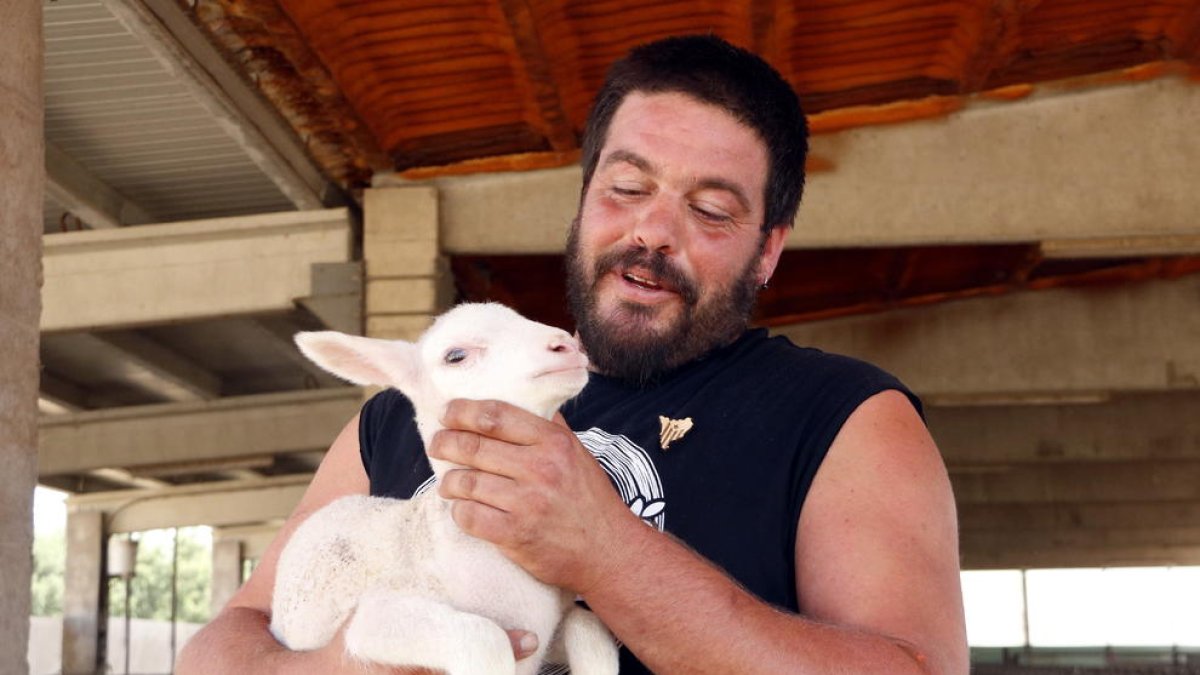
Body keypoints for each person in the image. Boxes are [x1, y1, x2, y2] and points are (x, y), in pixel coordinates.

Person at [178, 34, 968, 674]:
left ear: (767, 251)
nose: (653, 231)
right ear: (585, 196)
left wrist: (605, 550)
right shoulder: (399, 415)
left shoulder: (842, 416)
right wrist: (340, 665)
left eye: (710, 209)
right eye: (626, 188)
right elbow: (224, 645)